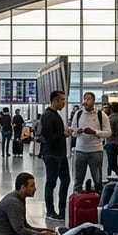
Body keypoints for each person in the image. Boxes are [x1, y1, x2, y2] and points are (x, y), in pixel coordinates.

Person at [39, 90, 73, 222]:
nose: (64, 102)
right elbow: (48, 137)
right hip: (52, 154)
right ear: (55, 100)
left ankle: (62, 209)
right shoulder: (48, 115)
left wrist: (63, 133)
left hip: (60, 154)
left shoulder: (56, 115)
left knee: (66, 180)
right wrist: (63, 135)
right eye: (62, 100)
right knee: (51, 182)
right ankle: (50, 211)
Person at [70, 92, 111, 192]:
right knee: (78, 179)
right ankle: (76, 198)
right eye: (85, 99)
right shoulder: (78, 114)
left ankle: (98, 196)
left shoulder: (102, 115)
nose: (86, 101)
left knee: (97, 179)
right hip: (80, 151)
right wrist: (77, 131)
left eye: (89, 99)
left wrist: (94, 132)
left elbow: (108, 133)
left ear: (94, 101)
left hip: (96, 151)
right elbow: (72, 131)